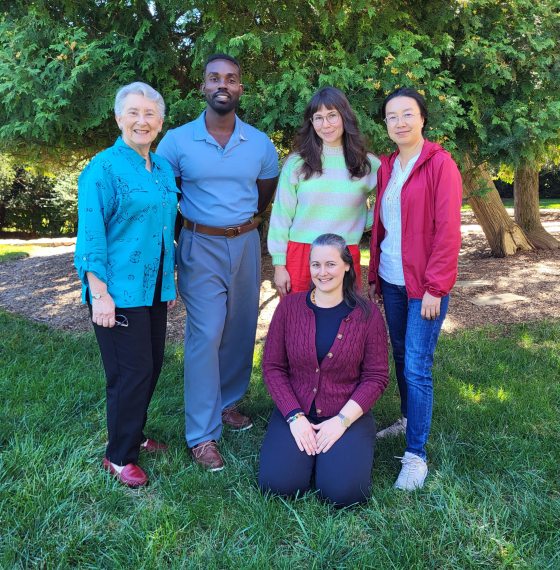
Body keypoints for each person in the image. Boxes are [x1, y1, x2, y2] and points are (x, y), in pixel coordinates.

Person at [156, 54, 279, 471]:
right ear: (203, 88)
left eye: (231, 78)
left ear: (241, 88)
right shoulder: (176, 141)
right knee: (205, 333)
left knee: (241, 328)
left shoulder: (260, 143)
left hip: (245, 244)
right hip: (199, 243)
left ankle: (227, 403)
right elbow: (165, 197)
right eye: (214, 78)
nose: (222, 84)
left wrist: (242, 225)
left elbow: (264, 193)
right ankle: (202, 435)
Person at [74, 82, 180, 487]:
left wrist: (165, 285)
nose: (142, 120)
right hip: (116, 291)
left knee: (150, 367)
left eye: (150, 113)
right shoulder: (102, 168)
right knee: (130, 373)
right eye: (133, 112)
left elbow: (162, 229)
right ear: (118, 118)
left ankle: (134, 432)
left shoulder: (161, 168)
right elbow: (91, 236)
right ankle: (119, 455)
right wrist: (99, 293)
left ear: (160, 122)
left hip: (151, 288)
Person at [368, 87, 462, 490]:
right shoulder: (387, 167)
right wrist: (374, 274)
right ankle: (407, 419)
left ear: (423, 118)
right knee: (402, 353)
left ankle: (416, 454)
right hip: (391, 278)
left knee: (416, 366)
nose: (400, 122)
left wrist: (436, 288)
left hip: (425, 286)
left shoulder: (440, 165)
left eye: (408, 114)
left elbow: (447, 232)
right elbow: (383, 227)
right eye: (392, 116)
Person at [259, 234, 388, 507]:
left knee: (344, 494)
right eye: (315, 265)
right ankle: (307, 456)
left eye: (330, 264)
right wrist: (295, 418)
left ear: (347, 266)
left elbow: (376, 377)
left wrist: (341, 421)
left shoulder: (367, 315)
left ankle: (332, 458)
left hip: (346, 413)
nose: (322, 272)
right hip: (297, 410)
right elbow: (272, 367)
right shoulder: (289, 309)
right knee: (278, 486)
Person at [268, 87, 379, 296]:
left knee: (343, 324)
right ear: (311, 122)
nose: (325, 124)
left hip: (344, 254)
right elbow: (281, 216)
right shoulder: (297, 163)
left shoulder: (367, 164)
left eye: (332, 116)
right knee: (300, 324)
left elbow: (391, 200)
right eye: (318, 118)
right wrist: (279, 265)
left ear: (344, 117)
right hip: (301, 255)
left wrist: (366, 219)